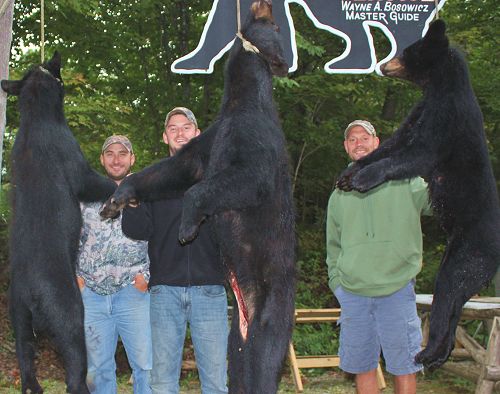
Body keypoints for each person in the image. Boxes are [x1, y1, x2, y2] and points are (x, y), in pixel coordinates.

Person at [122, 107, 229, 394]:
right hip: (164, 291)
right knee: (162, 382)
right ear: (165, 136)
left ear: (197, 134)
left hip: (210, 289)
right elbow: (137, 231)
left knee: (216, 382)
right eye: (173, 128)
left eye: (186, 127)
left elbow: (232, 230)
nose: (180, 133)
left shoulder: (217, 177)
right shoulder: (153, 178)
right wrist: (132, 203)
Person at [326, 120, 432, 394]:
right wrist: (337, 283)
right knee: (362, 365)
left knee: (405, 364)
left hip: (396, 289)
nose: (358, 143)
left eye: (364, 137)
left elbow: (438, 202)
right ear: (346, 147)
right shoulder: (340, 191)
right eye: (352, 139)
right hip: (353, 293)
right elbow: (333, 246)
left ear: (377, 142)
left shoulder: (404, 178)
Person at [77, 135, 152, 394]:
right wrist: (76, 278)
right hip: (93, 295)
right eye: (110, 153)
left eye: (123, 153)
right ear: (102, 159)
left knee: (144, 365)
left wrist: (146, 277)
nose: (116, 159)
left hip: (133, 292)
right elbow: (70, 237)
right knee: (98, 369)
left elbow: (160, 236)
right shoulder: (86, 195)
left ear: (132, 158)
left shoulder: (145, 194)